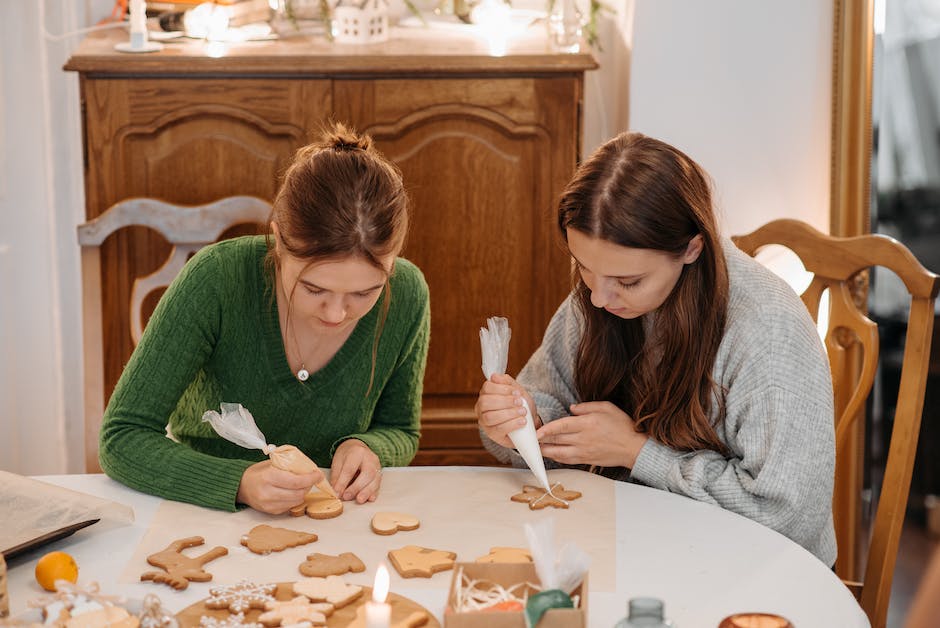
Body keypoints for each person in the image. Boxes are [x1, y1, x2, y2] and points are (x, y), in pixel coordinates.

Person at [475, 132, 837, 566]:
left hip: (760, 576)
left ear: (691, 248)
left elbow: (786, 516)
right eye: (584, 269)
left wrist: (637, 452)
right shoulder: (600, 296)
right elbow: (552, 401)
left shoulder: (766, 329)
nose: (597, 299)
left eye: (628, 282)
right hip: (640, 549)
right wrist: (524, 424)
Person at [99, 123, 430, 514]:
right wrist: (238, 483)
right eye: (314, 289)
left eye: (365, 293)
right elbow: (122, 437)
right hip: (203, 518)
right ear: (277, 241)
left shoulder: (407, 292)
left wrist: (368, 447)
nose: (338, 313)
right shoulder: (217, 279)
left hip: (340, 527)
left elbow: (401, 430)